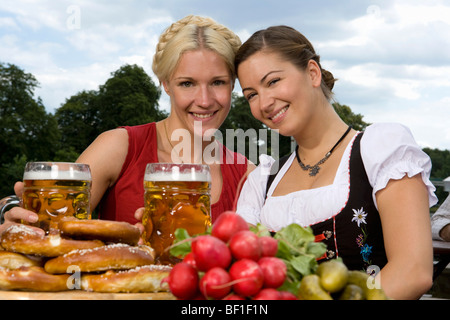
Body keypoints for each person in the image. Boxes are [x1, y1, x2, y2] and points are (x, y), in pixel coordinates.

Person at [1, 15, 254, 236]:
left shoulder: (249, 174)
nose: (204, 100)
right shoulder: (120, 146)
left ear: (233, 84)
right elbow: (52, 230)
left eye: (218, 82)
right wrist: (10, 211)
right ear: (165, 83)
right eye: (187, 83)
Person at [234, 25, 437, 300]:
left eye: (272, 81)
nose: (264, 103)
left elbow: (412, 271)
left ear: (312, 73)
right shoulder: (263, 181)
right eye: (251, 95)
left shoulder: (380, 149)